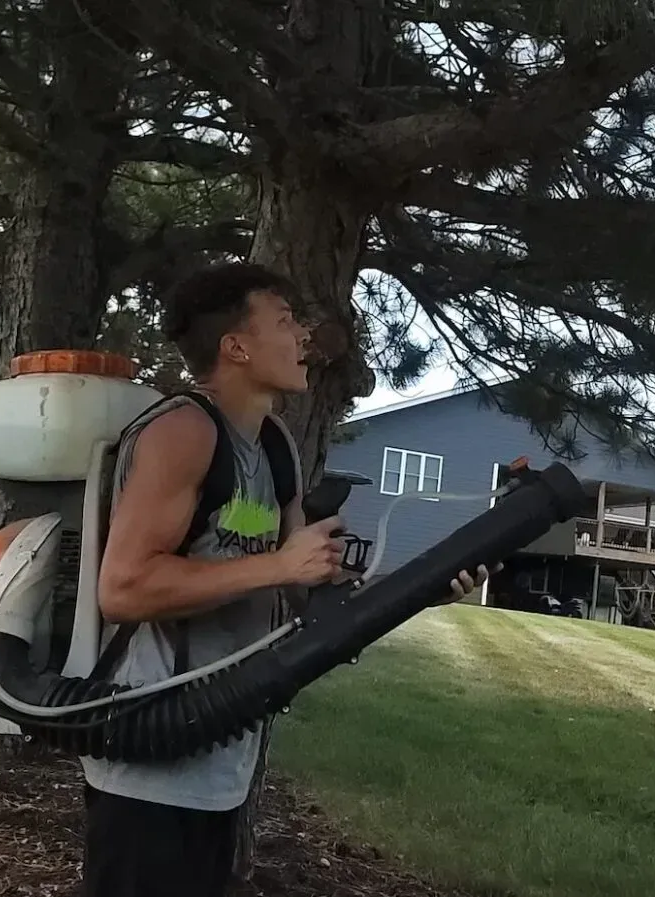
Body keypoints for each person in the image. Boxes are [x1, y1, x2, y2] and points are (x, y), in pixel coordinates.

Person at [84, 261, 491, 897]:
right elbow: (124, 588)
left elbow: (302, 586)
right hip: (148, 753)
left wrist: (421, 589)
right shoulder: (182, 431)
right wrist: (278, 564)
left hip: (220, 755)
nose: (304, 336)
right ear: (236, 347)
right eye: (284, 321)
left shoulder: (273, 445)